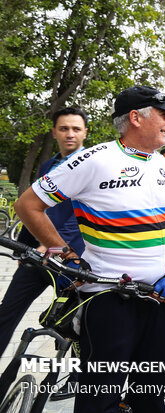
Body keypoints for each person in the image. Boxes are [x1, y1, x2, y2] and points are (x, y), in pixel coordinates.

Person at [14, 85, 165, 413]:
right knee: (101, 397)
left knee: (151, 393)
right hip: (107, 301)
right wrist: (66, 253)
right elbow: (28, 205)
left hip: (154, 299)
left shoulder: (162, 164)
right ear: (136, 118)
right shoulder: (93, 160)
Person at [0, 107, 88, 361]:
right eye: (63, 129)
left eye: (75, 129)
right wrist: (23, 247)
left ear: (84, 133)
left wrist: (52, 247)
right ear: (54, 132)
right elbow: (36, 208)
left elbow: (77, 218)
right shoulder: (49, 165)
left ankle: (82, 379)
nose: (69, 134)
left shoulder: (92, 166)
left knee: (79, 326)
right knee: (7, 314)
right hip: (38, 257)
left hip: (73, 261)